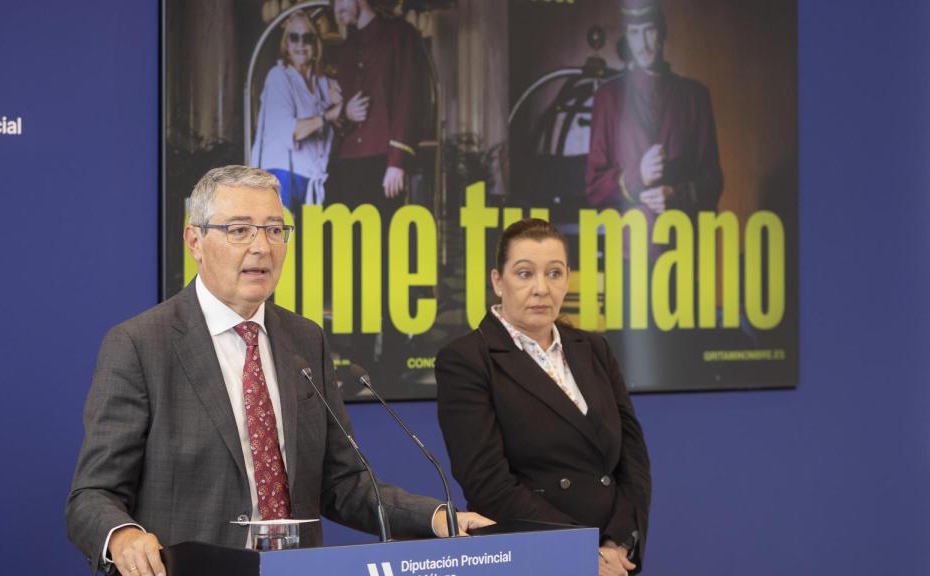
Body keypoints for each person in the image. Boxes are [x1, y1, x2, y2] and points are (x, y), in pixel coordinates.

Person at [66, 166, 491, 576]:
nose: (262, 247)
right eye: (239, 230)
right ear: (194, 241)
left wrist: (438, 518)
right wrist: (122, 536)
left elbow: (342, 483)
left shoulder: (305, 339)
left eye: (275, 229)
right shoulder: (142, 344)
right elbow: (92, 495)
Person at [436, 219, 651, 576]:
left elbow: (633, 456)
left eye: (554, 273)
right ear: (497, 281)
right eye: (524, 274)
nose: (541, 288)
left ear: (568, 278)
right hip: (534, 558)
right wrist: (582, 551)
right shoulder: (468, 359)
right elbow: (487, 483)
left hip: (613, 561)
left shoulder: (594, 348)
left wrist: (618, 541)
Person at [585, 0, 722, 217]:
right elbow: (594, 189)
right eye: (634, 33)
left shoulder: (696, 96)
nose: (642, 44)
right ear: (627, 37)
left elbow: (713, 182)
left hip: (684, 241)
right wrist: (638, 176)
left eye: (649, 31)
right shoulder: (608, 97)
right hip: (627, 245)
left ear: (663, 32)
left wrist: (676, 195)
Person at [327, 0, 423, 210]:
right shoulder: (345, 49)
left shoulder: (400, 34)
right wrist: (346, 112)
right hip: (348, 162)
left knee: (386, 237)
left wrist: (397, 162)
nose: (336, 9)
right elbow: (340, 110)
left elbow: (408, 98)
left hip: (384, 158)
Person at [251, 10, 341, 214]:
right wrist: (330, 115)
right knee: (283, 244)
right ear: (286, 44)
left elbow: (345, 106)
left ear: (316, 45)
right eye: (294, 37)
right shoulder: (278, 77)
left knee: (307, 245)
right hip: (281, 175)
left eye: (307, 38)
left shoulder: (322, 83)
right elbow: (292, 131)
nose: (300, 45)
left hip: (312, 177)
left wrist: (340, 105)